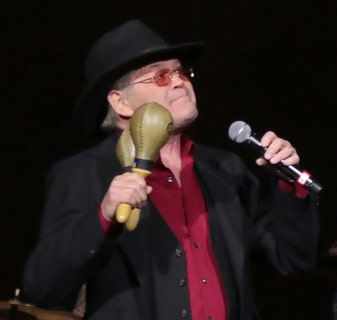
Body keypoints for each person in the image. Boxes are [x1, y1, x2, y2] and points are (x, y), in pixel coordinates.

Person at [21, 19, 320, 320]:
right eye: (161, 76)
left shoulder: (225, 169)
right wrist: (103, 215)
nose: (179, 81)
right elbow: (42, 288)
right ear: (120, 102)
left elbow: (292, 261)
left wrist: (287, 183)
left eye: (181, 72)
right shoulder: (83, 174)